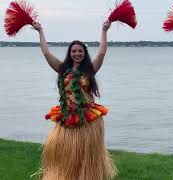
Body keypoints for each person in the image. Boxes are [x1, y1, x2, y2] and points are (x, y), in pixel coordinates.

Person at [32, 21, 117, 180]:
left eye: (80, 51)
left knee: (85, 154)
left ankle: (87, 175)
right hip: (67, 117)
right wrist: (40, 31)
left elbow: (102, 53)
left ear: (84, 53)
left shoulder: (90, 69)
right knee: (65, 152)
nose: (77, 53)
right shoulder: (62, 69)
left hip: (87, 119)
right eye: (74, 51)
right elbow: (46, 53)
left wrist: (104, 30)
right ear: (70, 53)